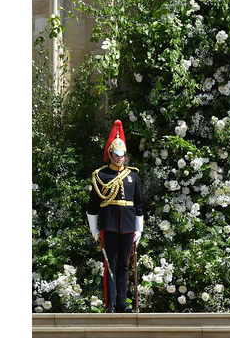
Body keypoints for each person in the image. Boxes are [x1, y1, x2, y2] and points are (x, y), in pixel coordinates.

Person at [87, 120, 144, 313]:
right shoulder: (101, 176)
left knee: (124, 265)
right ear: (110, 154)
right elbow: (93, 205)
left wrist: (139, 228)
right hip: (109, 224)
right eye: (116, 154)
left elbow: (138, 205)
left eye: (122, 154)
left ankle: (122, 303)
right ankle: (110, 304)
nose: (120, 158)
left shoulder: (133, 176)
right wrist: (94, 229)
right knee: (110, 264)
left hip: (128, 226)